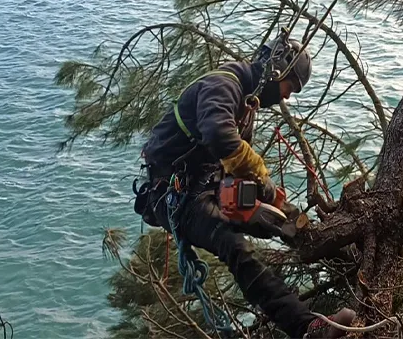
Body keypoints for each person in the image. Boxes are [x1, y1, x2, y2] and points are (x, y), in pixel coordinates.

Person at [138, 37, 356, 338]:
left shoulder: (245, 105)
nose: (286, 98)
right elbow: (219, 136)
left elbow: (241, 172)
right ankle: (306, 328)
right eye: (289, 88)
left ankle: (321, 242)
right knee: (236, 246)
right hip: (175, 198)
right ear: (276, 70)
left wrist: (278, 207)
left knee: (271, 221)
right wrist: (258, 174)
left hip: (204, 187)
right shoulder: (222, 85)